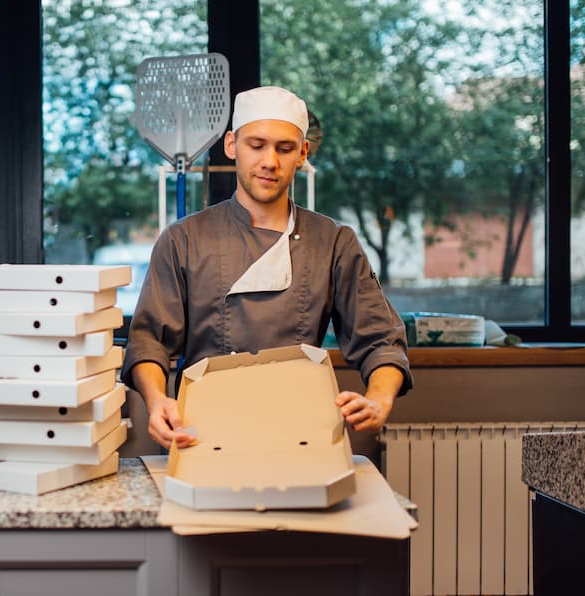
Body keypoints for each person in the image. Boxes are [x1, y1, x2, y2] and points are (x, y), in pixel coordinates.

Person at [120, 85, 412, 450]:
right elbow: (149, 342)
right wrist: (157, 399)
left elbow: (380, 341)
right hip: (202, 435)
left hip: (303, 436)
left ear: (302, 153)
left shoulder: (334, 241)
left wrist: (379, 398)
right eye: (256, 145)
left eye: (284, 148)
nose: (269, 161)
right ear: (231, 146)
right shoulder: (183, 240)